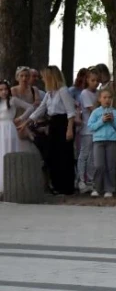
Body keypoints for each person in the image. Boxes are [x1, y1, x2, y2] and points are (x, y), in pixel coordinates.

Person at [17, 66, 75, 195]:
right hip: (53, 123)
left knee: (64, 155)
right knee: (53, 154)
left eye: (44, 76)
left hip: (63, 123)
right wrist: (26, 122)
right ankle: (56, 184)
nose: (42, 79)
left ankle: (66, 187)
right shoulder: (49, 93)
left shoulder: (63, 91)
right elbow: (40, 109)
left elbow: (71, 111)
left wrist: (69, 129)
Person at [86, 89, 116, 198]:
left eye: (109, 97)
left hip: (111, 141)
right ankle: (97, 188)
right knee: (99, 165)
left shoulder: (115, 113)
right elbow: (90, 126)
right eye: (104, 97)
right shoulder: (96, 112)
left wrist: (112, 121)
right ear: (100, 99)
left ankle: (109, 188)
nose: (107, 100)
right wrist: (101, 120)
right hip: (98, 141)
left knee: (110, 166)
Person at [0, 80, 32, 196]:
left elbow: (30, 107)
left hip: (9, 128)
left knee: (9, 152)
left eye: (5, 89)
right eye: (1, 90)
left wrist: (20, 118)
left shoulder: (13, 100)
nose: (4, 92)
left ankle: (10, 185)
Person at [76, 69, 99, 193]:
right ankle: (81, 179)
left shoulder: (98, 93)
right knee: (84, 154)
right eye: (92, 80)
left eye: (97, 81)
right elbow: (93, 110)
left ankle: (91, 179)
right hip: (87, 128)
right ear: (87, 81)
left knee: (93, 156)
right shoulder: (85, 93)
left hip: (96, 129)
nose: (95, 83)